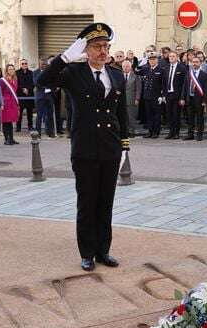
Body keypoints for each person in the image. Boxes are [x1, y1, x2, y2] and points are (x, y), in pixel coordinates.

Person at [37, 22, 129, 271]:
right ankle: (87, 252)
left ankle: (103, 250)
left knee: (105, 202)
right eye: (97, 46)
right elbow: (43, 80)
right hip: (85, 149)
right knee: (87, 202)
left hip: (110, 149)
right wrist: (64, 57)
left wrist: (125, 146)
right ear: (86, 50)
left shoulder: (117, 75)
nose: (103, 51)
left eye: (105, 46)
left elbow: (122, 114)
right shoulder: (73, 73)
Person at [139, 52, 165, 138]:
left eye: (154, 59)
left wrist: (162, 95)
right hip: (147, 96)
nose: (152, 61)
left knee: (156, 115)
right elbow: (136, 70)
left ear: (157, 60)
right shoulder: (146, 69)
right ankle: (150, 131)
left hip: (156, 96)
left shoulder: (161, 70)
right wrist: (142, 63)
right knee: (148, 114)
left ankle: (156, 132)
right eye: (150, 59)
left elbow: (163, 84)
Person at [183, 55, 207, 141]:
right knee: (190, 118)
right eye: (193, 62)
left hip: (199, 99)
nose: (194, 64)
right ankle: (190, 134)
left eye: (196, 62)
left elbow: (206, 89)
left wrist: (205, 100)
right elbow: (185, 87)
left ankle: (199, 134)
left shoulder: (204, 75)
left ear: (200, 63)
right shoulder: (189, 74)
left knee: (199, 118)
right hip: (190, 98)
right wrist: (183, 98)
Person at [163, 51, 186, 139]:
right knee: (169, 114)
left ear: (177, 57)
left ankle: (176, 132)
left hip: (177, 95)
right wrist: (164, 94)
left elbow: (184, 83)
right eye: (170, 56)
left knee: (176, 114)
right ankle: (171, 132)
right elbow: (164, 82)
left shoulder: (182, 68)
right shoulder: (166, 67)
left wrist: (182, 97)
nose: (171, 58)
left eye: (173, 56)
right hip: (168, 94)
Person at [34, 58, 56, 137]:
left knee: (50, 115)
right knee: (39, 115)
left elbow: (53, 82)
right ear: (39, 64)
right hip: (40, 96)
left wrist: (49, 87)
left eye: (45, 64)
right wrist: (46, 86)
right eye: (42, 64)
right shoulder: (35, 72)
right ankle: (37, 133)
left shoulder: (50, 72)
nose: (44, 65)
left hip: (49, 96)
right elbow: (36, 83)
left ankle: (50, 132)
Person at [0, 64, 20, 145]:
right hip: (6, 103)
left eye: (12, 69)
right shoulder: (3, 80)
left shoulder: (15, 79)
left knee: (11, 121)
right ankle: (6, 139)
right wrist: (1, 103)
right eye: (9, 69)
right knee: (6, 121)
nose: (11, 71)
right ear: (6, 71)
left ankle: (11, 138)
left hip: (13, 103)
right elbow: (0, 92)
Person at [122, 60, 141, 137]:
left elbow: (138, 88)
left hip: (132, 99)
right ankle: (126, 131)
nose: (126, 68)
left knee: (131, 116)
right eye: (124, 66)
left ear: (130, 67)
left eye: (127, 66)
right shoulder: (119, 75)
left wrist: (137, 98)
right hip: (122, 100)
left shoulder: (135, 76)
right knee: (124, 116)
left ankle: (132, 131)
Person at [16, 59, 35, 132]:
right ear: (20, 65)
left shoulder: (31, 73)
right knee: (19, 112)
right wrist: (23, 89)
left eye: (25, 63)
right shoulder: (17, 73)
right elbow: (16, 83)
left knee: (29, 112)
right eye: (23, 63)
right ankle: (18, 127)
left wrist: (28, 89)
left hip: (29, 95)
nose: (24, 65)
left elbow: (33, 83)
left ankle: (30, 126)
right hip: (20, 95)